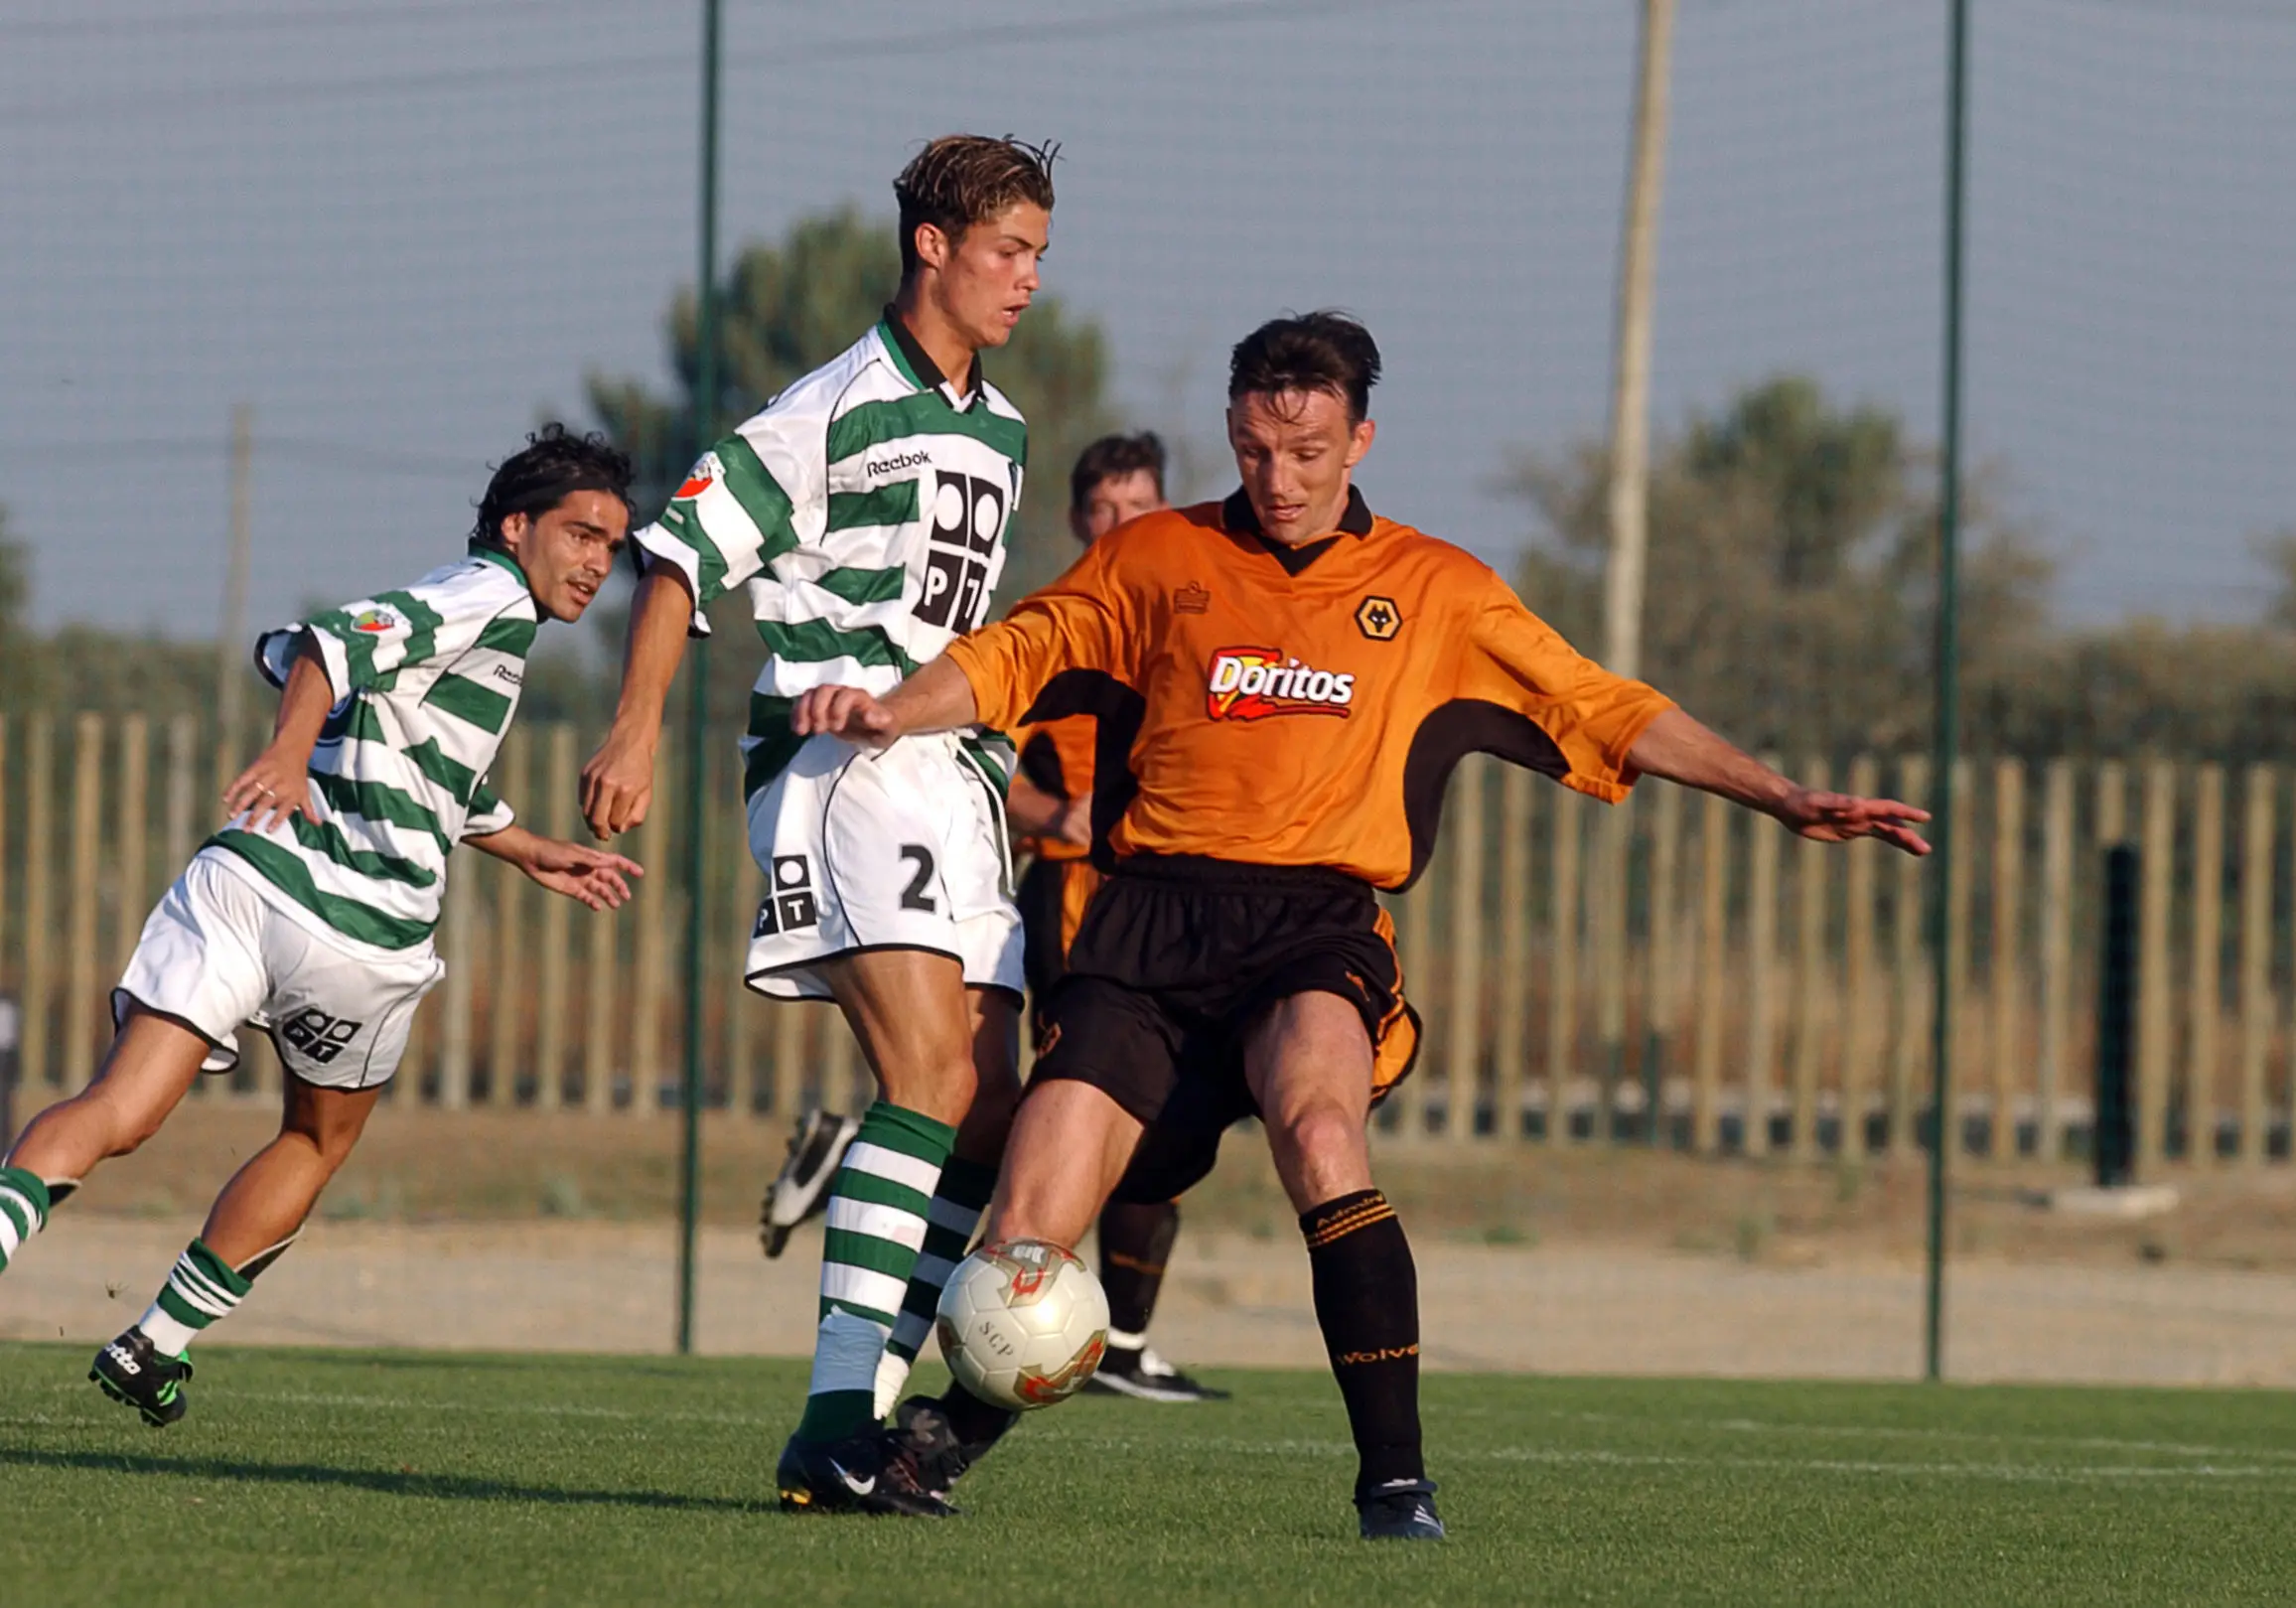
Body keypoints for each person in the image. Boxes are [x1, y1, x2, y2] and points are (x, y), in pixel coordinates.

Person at [787, 312, 1931, 1537]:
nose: (1276, 479)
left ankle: (1395, 1482)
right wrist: (896, 709)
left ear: (1359, 438)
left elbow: (1598, 703)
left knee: (1322, 1132)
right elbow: (1015, 651)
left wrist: (1779, 793)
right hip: (1147, 933)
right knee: (1024, 1233)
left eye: (1307, 453)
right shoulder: (1154, 559)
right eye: (1252, 448)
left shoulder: (1435, 589)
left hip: (1311, 926)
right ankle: (934, 1446)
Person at [578, 134, 1056, 1516]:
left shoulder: (1006, 429)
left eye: (1038, 254)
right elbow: (678, 554)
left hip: (954, 774)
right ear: (931, 246)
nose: (1027, 280)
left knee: (985, 1108)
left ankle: (871, 1413)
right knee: (921, 1072)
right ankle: (837, 1416)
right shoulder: (831, 405)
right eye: (1007, 251)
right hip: (842, 765)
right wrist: (632, 726)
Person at [0, 426, 645, 1425]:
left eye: (613, 545)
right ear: (517, 527)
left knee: (119, 1107)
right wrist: (290, 751)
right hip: (357, 935)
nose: (599, 561)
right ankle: (155, 1340)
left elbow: (412, 748)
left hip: (248, 879)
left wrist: (527, 847)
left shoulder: (471, 619)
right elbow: (327, 642)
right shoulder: (489, 596)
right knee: (311, 1139)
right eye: (582, 533)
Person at [760, 432, 1227, 1403]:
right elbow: (975, 752)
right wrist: (1054, 815)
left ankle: (1100, 1338)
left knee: (1080, 1119)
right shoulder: (1056, 623)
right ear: (1072, 522)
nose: (1119, 525)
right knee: (1049, 1114)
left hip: (1164, 909)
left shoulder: (1185, 621)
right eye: (1101, 511)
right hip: (1070, 903)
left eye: (1136, 507)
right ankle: (880, 1370)